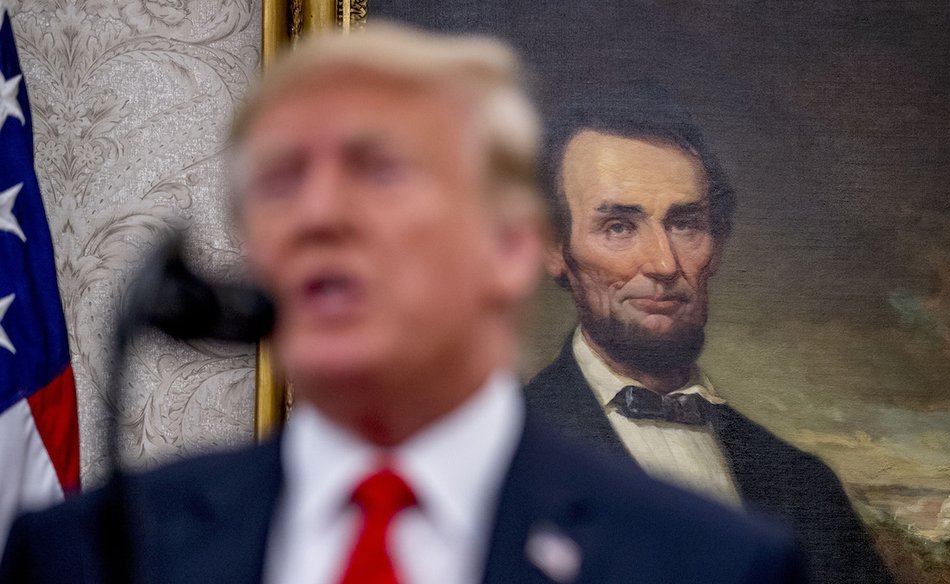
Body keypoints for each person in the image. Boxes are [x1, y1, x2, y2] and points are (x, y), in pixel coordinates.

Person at [1, 26, 807, 584]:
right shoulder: (88, 554)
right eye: (282, 180)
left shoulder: (708, 562)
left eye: (380, 171)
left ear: (512, 246)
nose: (321, 215)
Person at [524, 83, 892, 584]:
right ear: (553, 250)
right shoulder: (493, 453)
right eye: (618, 227)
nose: (663, 263)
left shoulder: (804, 485)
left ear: (715, 248)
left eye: (685, 224)